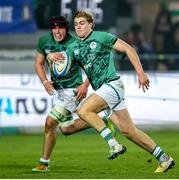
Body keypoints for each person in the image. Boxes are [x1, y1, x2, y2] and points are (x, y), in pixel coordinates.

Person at [49, 11, 175, 173]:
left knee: (83, 110)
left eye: (82, 23)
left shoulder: (103, 37)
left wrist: (141, 73)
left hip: (112, 85)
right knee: (129, 131)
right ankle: (164, 158)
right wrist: (51, 56)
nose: (78, 27)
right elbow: (64, 65)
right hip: (103, 89)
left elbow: (129, 49)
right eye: (76, 24)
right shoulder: (73, 48)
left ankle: (113, 144)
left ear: (90, 24)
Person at [32, 15, 116, 172]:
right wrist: (44, 81)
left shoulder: (75, 43)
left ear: (66, 28)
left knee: (50, 122)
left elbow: (92, 65)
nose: (58, 31)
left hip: (73, 90)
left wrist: (85, 85)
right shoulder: (44, 41)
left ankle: (44, 163)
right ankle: (103, 120)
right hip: (58, 91)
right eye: (54, 28)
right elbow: (38, 63)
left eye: (61, 28)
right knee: (66, 129)